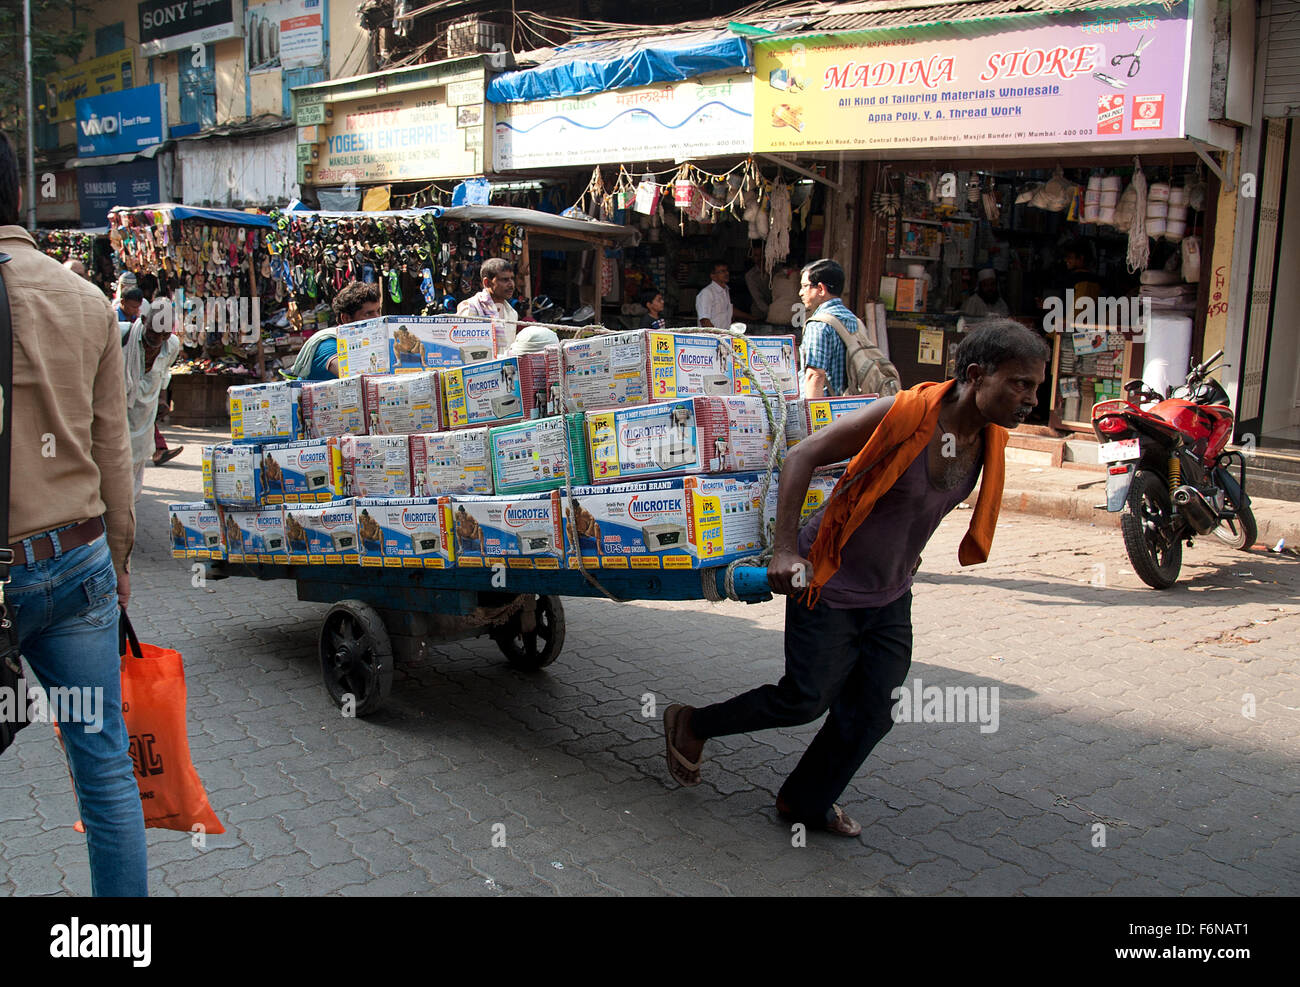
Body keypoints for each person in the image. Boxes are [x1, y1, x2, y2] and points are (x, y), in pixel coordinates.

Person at [662, 320, 1049, 836]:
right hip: (827, 575)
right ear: (976, 375)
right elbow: (802, 456)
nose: (1030, 399)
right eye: (1019, 384)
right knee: (806, 698)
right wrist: (782, 551)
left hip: (889, 590)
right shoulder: (904, 413)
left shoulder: (987, 439)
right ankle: (691, 723)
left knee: (874, 709)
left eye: (1036, 387)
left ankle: (804, 801)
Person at [0, 131, 147, 895]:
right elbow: (113, 450)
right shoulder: (86, 300)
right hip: (79, 561)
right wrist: (120, 563)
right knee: (104, 765)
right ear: (21, 195)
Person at [123, 301, 181, 500]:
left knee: (136, 463)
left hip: (145, 412)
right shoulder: (123, 336)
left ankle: (127, 509)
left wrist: (163, 399)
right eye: (154, 333)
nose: (158, 339)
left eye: (164, 334)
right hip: (118, 408)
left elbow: (164, 372)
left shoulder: (171, 344)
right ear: (144, 321)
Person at [290, 280, 382, 381]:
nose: (377, 318)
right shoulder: (328, 344)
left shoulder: (366, 344)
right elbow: (351, 376)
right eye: (368, 314)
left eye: (378, 311)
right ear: (346, 319)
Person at [798, 258, 856, 397]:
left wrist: (812, 416)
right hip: (848, 406)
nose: (801, 292)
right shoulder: (853, 319)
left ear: (821, 289)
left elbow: (815, 376)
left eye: (805, 286)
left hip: (826, 408)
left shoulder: (818, 325)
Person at [457, 258, 519, 349]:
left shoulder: (512, 313)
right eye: (505, 280)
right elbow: (460, 347)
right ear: (487, 283)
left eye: (512, 279)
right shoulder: (470, 307)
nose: (511, 284)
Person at [695, 260, 749, 328]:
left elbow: (730, 310)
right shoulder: (707, 293)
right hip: (711, 337)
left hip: (723, 335)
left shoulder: (725, 291)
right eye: (722, 271)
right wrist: (716, 335)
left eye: (727, 270)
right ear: (713, 275)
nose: (727, 273)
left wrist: (752, 318)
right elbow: (704, 320)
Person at [744, 246, 771, 323]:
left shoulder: (776, 271)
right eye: (756, 255)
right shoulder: (750, 275)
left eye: (762, 255)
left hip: (777, 311)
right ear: (752, 258)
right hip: (759, 314)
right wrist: (770, 312)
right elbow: (757, 298)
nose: (760, 258)